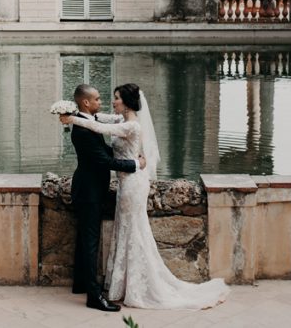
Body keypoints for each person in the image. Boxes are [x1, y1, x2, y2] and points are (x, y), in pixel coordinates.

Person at [61, 84, 230, 310]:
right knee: (100, 237)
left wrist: (72, 119)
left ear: (127, 103)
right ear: (86, 103)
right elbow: (102, 135)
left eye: (115, 98)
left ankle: (126, 286)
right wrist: (73, 117)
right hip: (103, 186)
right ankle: (93, 289)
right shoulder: (120, 121)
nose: (110, 102)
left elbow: (100, 129)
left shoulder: (130, 125)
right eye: (102, 99)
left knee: (130, 231)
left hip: (131, 185)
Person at [67, 84, 143, 312]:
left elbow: (104, 152)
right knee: (90, 244)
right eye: (98, 99)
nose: (103, 103)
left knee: (84, 239)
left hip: (89, 188)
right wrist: (135, 164)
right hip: (89, 191)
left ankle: (80, 283)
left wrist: (126, 155)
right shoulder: (82, 129)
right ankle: (93, 296)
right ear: (86, 103)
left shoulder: (88, 122)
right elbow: (104, 161)